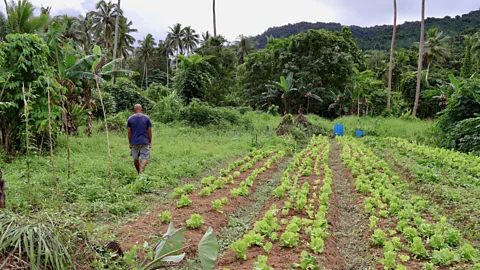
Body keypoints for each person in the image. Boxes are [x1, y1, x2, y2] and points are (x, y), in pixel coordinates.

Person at [127, 104, 152, 174]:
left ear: (134, 110)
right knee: (144, 157)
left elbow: (129, 132)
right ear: (141, 109)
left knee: (135, 158)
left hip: (134, 142)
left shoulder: (130, 119)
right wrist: (150, 141)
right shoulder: (147, 118)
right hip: (144, 141)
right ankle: (141, 172)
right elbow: (149, 131)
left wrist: (130, 143)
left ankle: (139, 173)